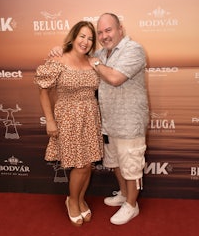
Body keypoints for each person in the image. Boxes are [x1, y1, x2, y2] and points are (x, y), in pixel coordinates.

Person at [49, 13, 149, 225]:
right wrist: (60, 49)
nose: (104, 36)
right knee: (115, 163)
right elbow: (77, 56)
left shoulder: (134, 50)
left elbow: (114, 78)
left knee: (131, 166)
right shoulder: (101, 54)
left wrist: (95, 63)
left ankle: (132, 205)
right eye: (100, 32)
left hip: (129, 121)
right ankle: (123, 194)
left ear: (120, 28)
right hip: (107, 122)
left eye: (108, 30)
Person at [34, 21, 103, 227]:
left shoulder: (92, 61)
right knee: (80, 165)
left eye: (90, 38)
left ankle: (81, 199)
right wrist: (50, 120)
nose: (86, 41)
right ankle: (72, 201)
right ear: (73, 37)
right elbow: (43, 91)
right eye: (82, 36)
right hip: (68, 117)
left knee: (88, 164)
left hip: (90, 116)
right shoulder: (58, 60)